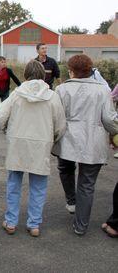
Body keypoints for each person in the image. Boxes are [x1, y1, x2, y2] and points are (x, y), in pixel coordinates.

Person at [0, 60, 66, 237]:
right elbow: (60, 125)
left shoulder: (16, 94)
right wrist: (53, 140)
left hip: (17, 144)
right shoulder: (52, 96)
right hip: (41, 144)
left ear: (25, 75)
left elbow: (0, 117)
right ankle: (34, 224)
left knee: (14, 184)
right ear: (44, 75)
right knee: (38, 186)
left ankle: (11, 222)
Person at [52, 54, 118, 236]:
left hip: (67, 140)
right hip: (93, 141)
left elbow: (57, 117)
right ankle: (80, 226)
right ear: (90, 70)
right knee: (87, 184)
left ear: (71, 71)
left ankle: (71, 201)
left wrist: (53, 136)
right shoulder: (103, 90)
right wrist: (114, 133)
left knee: (65, 168)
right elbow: (108, 119)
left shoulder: (62, 89)